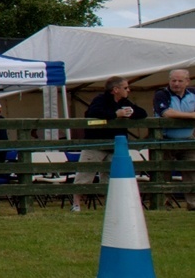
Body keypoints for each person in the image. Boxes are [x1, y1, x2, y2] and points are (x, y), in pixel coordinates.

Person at [72, 75, 146, 211]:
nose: (128, 90)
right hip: (96, 144)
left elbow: (143, 113)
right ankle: (76, 204)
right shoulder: (100, 99)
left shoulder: (125, 102)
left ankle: (111, 206)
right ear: (116, 89)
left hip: (115, 145)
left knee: (111, 176)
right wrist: (115, 114)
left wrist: (131, 112)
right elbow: (92, 113)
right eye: (125, 87)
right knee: (85, 174)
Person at [152, 68, 195, 206]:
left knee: (191, 171)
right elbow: (167, 113)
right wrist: (192, 116)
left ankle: (193, 204)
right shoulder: (161, 94)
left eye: (180, 80)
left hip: (187, 140)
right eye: (173, 80)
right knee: (163, 172)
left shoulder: (193, 94)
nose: (176, 83)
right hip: (164, 140)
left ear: (187, 81)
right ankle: (164, 204)